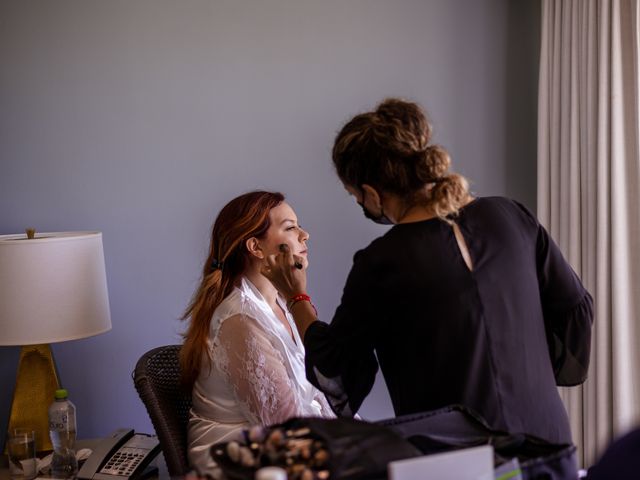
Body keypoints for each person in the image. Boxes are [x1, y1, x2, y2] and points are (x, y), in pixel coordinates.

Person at [261, 98, 594, 446]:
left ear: (372, 193)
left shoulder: (382, 261)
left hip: (461, 458)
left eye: (355, 196)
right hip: (547, 441)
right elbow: (574, 311)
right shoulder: (511, 216)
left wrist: (295, 295)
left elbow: (336, 373)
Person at [180, 191, 335, 476]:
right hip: (240, 459)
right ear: (255, 247)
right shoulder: (240, 319)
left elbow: (320, 391)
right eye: (290, 227)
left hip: (285, 444)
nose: (305, 235)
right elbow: (283, 425)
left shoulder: (280, 304)